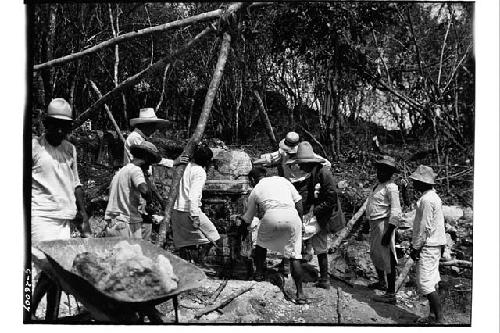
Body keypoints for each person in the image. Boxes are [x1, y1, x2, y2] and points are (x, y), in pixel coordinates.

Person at [31, 98, 91, 319]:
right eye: (54, 124)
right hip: (41, 218)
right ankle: (26, 314)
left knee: (59, 274)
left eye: (63, 126)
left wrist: (83, 215)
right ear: (46, 124)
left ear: (68, 127)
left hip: (64, 221)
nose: (59, 129)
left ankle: (51, 317)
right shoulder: (35, 147)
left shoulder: (70, 149)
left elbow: (75, 183)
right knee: (48, 271)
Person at [238, 167, 306, 304]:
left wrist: (241, 228)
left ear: (252, 179)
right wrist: (301, 222)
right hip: (292, 216)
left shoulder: (256, 189)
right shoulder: (283, 180)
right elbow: (298, 201)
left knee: (261, 246)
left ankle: (259, 274)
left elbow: (248, 218)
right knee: (295, 256)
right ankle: (300, 295)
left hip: (271, 216)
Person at [124, 108, 189, 241]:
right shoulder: (135, 139)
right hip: (137, 182)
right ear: (145, 125)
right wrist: (173, 162)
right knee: (141, 215)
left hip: (142, 180)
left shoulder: (140, 138)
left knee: (144, 214)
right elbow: (149, 157)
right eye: (153, 126)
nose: (154, 129)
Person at [286, 141, 338, 290]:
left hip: (324, 214)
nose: (300, 167)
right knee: (320, 245)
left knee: (299, 236)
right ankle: (324, 279)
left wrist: (314, 212)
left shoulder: (324, 173)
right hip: (319, 213)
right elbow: (309, 196)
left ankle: (292, 270)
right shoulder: (313, 174)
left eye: (302, 164)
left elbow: (331, 199)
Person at [409, 165, 446, 324]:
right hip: (435, 244)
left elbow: (425, 227)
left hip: (428, 245)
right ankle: (432, 316)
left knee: (425, 283)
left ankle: (439, 319)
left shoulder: (427, 200)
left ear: (423, 182)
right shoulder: (433, 197)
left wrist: (416, 247)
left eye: (416, 181)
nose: (414, 183)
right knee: (432, 281)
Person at [171, 145, 220, 265]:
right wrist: (195, 215)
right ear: (207, 161)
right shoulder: (199, 172)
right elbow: (193, 195)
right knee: (214, 236)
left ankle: (188, 265)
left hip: (176, 210)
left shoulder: (183, 167)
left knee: (184, 242)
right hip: (189, 210)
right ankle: (200, 262)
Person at [364, 156, 402, 304]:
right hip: (374, 223)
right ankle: (381, 282)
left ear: (390, 173)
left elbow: (396, 211)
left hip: (384, 224)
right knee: (375, 254)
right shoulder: (377, 186)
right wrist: (367, 222)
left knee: (387, 257)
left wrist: (389, 231)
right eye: (379, 170)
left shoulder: (391, 187)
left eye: (384, 171)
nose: (380, 173)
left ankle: (391, 292)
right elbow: (371, 205)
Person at [104, 141, 162, 238]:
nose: (149, 167)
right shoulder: (136, 170)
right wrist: (149, 197)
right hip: (125, 223)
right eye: (149, 163)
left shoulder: (120, 172)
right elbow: (144, 190)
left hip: (114, 221)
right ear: (145, 159)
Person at [253, 131, 331, 180]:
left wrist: (315, 177)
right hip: (288, 184)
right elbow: (270, 158)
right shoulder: (283, 153)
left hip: (304, 185)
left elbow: (326, 164)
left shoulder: (307, 155)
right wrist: (253, 162)